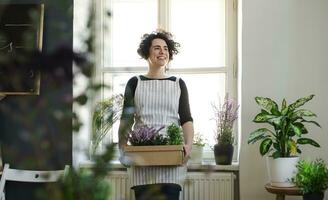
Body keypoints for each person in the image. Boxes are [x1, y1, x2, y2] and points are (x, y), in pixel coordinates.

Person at [118, 30, 194, 200]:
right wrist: (122, 147)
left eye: (166, 49)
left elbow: (186, 118)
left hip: (172, 159)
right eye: (157, 48)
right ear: (147, 53)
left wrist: (189, 145)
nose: (162, 52)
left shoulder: (178, 84)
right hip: (142, 160)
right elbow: (126, 119)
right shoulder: (134, 83)